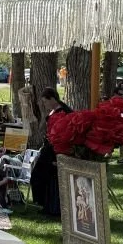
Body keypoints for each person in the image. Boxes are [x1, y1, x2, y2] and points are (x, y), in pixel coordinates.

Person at [29, 87, 72, 215]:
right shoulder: (53, 112)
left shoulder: (62, 112)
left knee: (47, 176)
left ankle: (51, 206)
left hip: (55, 148)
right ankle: (45, 204)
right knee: (41, 176)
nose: (45, 104)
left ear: (52, 99)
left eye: (46, 101)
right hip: (49, 146)